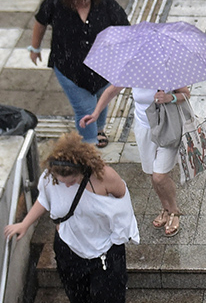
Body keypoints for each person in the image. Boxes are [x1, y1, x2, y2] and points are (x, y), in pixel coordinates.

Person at [4, 133, 139, 303]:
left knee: (109, 298)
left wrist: (120, 234)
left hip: (105, 248)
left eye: (72, 180)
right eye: (61, 180)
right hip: (69, 248)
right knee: (79, 298)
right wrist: (25, 224)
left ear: (83, 169)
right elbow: (44, 199)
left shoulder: (105, 176)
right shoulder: (50, 178)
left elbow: (123, 202)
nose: (66, 184)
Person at [30, 0, 130, 147]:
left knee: (101, 97)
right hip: (69, 68)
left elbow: (124, 29)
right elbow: (40, 22)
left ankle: (98, 128)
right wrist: (35, 48)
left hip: (103, 66)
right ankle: (88, 145)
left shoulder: (105, 3)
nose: (82, 2)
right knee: (84, 108)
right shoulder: (54, 2)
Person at [83, 83, 194, 237]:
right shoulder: (134, 71)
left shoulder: (169, 71)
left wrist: (170, 97)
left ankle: (174, 210)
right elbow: (111, 91)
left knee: (159, 176)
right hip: (144, 128)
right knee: (151, 175)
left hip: (167, 127)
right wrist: (95, 114)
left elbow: (186, 94)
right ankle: (165, 208)